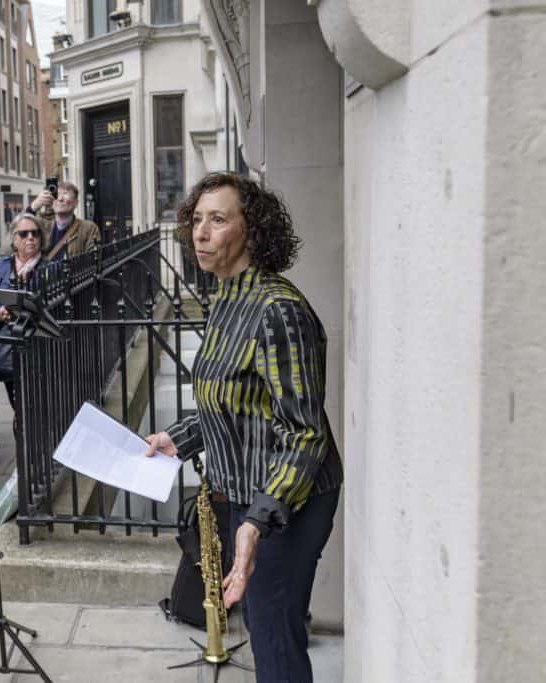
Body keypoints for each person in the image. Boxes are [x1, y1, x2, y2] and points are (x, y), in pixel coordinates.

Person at [145, 173, 343, 683]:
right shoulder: (227, 296)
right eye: (196, 219)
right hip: (242, 495)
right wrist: (180, 438)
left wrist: (257, 520)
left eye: (218, 219)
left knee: (274, 632)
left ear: (251, 231)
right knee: (260, 620)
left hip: (287, 502)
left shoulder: (279, 311)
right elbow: (231, 400)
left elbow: (304, 435)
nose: (200, 232)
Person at [0, 213, 44, 413]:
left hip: (39, 349)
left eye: (35, 233)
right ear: (14, 239)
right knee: (18, 406)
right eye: (23, 234)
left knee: (37, 406)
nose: (30, 238)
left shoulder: (51, 268)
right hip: (8, 348)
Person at [27, 181, 100, 260]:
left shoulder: (89, 228)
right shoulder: (41, 225)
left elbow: (93, 261)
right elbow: (16, 242)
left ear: (76, 203)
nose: (60, 199)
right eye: (57, 195)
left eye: (65, 194)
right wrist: (32, 208)